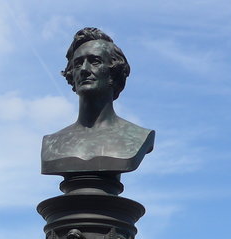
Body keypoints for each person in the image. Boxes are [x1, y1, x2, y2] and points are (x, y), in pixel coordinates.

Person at [41, 27, 155, 176]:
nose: (84, 69)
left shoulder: (138, 137)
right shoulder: (52, 143)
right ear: (71, 74)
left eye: (95, 61)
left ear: (113, 72)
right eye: (78, 64)